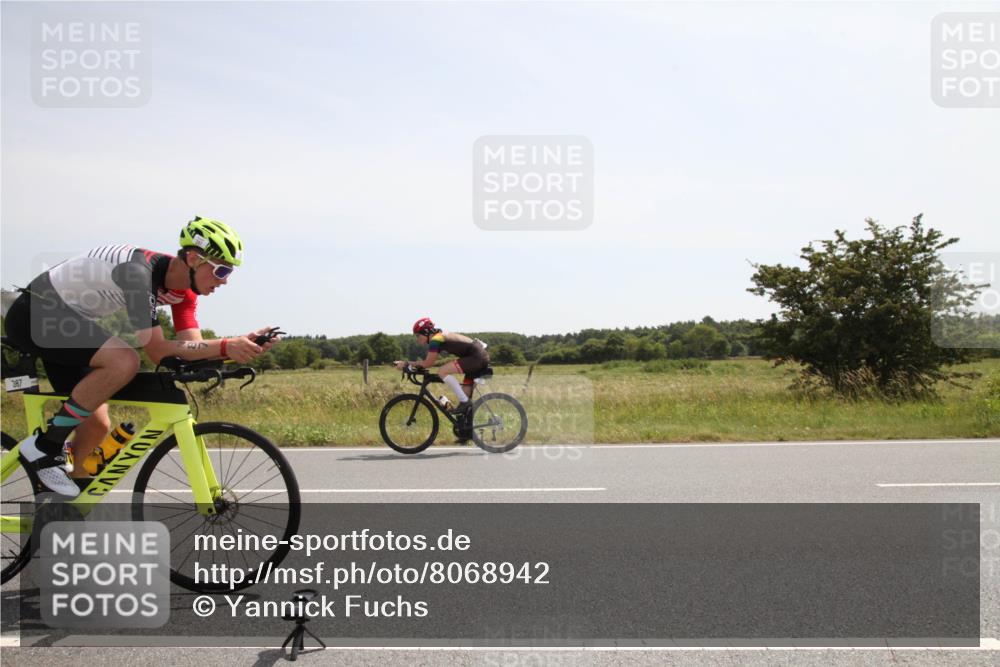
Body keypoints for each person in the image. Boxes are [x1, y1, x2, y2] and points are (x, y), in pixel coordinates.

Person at [4, 216, 278, 497]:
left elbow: (191, 348)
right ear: (194, 258)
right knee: (124, 360)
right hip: (35, 314)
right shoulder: (137, 273)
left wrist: (240, 348)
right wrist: (225, 345)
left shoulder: (184, 293)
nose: (225, 281)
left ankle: (57, 505)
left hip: (68, 321)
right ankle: (45, 447)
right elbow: (157, 350)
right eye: (221, 271)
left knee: (97, 425)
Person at [394, 317, 490, 417]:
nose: (417, 338)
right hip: (477, 356)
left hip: (476, 357)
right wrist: (416, 365)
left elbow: (428, 363)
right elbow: (429, 362)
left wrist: (406, 363)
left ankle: (465, 402)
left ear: (426, 332)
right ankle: (467, 428)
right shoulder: (439, 337)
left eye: (418, 335)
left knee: (442, 371)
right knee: (464, 407)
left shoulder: (436, 340)